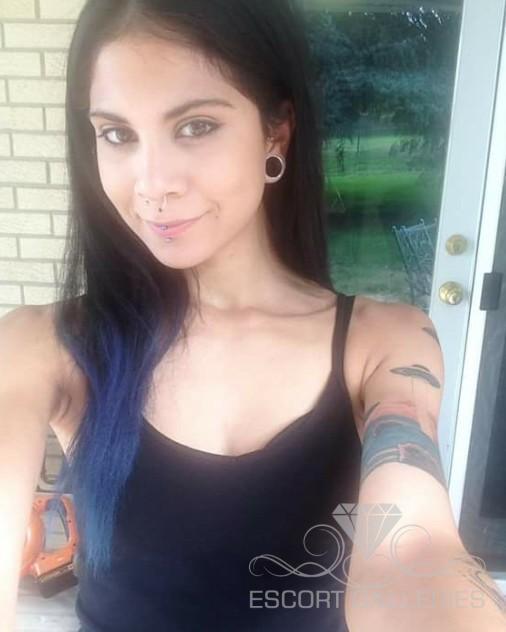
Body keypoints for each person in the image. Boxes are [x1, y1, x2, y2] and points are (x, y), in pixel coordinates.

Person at [1, 1, 505, 631]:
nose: (152, 183)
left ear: (276, 133)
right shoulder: (45, 344)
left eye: (195, 126)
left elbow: (415, 549)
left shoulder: (384, 343)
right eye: (117, 134)